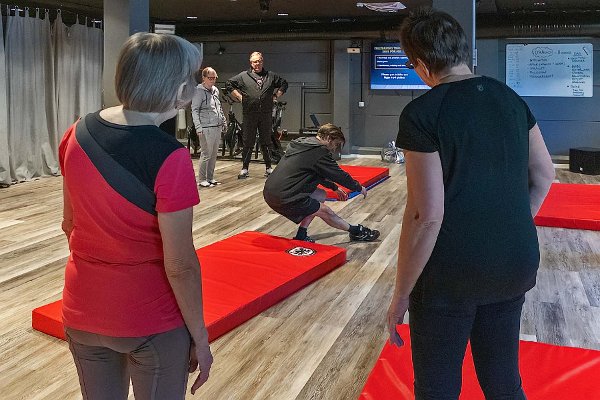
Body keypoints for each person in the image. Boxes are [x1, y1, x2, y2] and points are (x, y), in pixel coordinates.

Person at [385, 8, 555, 400]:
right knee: (503, 383)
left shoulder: (422, 114)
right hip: (514, 261)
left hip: (450, 273)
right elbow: (545, 176)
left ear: (423, 65)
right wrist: (508, 225)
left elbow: (426, 216)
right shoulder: (510, 100)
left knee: (437, 388)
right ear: (463, 50)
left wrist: (400, 295)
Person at [59, 33, 213, 399]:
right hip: (150, 320)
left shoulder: (75, 133)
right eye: (191, 78)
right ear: (178, 89)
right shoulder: (170, 156)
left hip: (81, 307)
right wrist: (202, 339)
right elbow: (180, 265)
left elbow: (69, 224)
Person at [263, 123, 380, 243]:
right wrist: (358, 187)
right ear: (329, 139)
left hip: (270, 191)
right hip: (284, 196)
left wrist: (334, 187)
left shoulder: (303, 143)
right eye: (335, 144)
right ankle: (356, 232)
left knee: (320, 196)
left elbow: (316, 173)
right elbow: (339, 175)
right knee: (326, 211)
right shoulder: (320, 151)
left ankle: (301, 234)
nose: (334, 149)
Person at [226, 51, 288, 179]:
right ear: (251, 63)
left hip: (265, 114)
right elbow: (228, 84)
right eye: (254, 61)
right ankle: (244, 168)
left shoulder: (270, 76)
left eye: (259, 61)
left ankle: (268, 168)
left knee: (266, 141)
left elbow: (284, 83)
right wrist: (239, 96)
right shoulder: (243, 76)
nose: (257, 64)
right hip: (249, 114)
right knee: (248, 141)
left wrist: (276, 95)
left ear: (262, 61)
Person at [191, 66, 226, 188]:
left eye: (214, 78)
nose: (212, 80)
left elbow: (218, 107)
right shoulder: (198, 91)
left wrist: (223, 120)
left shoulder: (215, 90)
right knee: (206, 154)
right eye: (210, 78)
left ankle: (210, 177)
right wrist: (198, 127)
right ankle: (202, 179)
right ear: (204, 78)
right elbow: (194, 110)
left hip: (217, 126)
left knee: (214, 154)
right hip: (206, 127)